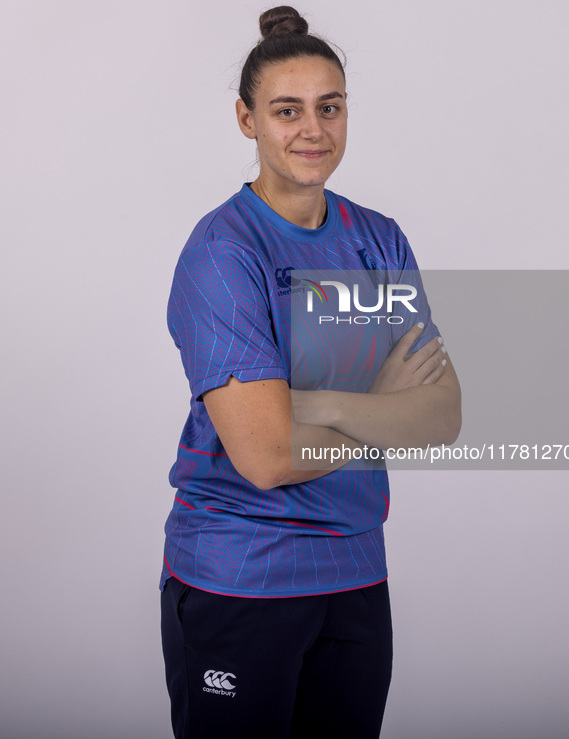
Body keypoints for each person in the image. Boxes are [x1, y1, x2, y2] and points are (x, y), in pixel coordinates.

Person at [160, 6, 461, 738]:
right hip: (242, 574)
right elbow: (266, 455)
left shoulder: (377, 238)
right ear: (246, 120)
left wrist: (315, 402)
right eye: (286, 110)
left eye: (329, 107)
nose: (312, 129)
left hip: (356, 576)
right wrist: (380, 406)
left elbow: (442, 414)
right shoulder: (223, 254)